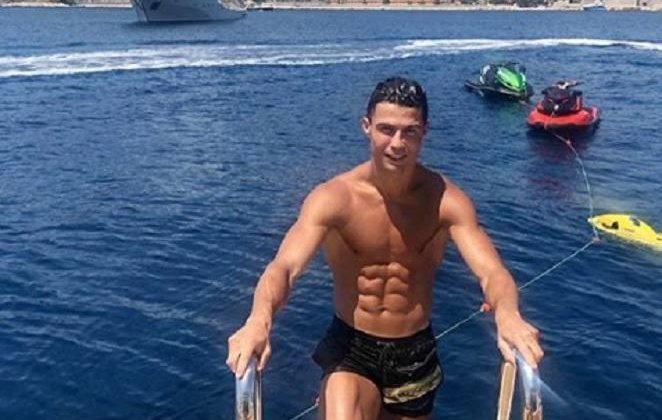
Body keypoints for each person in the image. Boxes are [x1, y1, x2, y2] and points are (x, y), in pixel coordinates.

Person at [226, 76, 544, 419]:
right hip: (351, 347)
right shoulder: (334, 199)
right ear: (367, 127)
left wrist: (508, 314)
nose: (397, 143)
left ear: (424, 131)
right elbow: (285, 267)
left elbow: (492, 272)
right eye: (386, 129)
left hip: (414, 353)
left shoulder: (446, 201)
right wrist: (259, 319)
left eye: (409, 131)